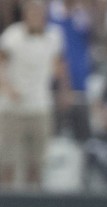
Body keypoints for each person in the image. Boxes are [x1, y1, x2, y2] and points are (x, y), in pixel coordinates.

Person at [0, 0, 70, 189]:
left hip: (40, 106)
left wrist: (64, 90)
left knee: (37, 163)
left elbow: (59, 65)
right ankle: (7, 205)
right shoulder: (12, 36)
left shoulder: (54, 36)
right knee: (8, 162)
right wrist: (6, 87)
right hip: (12, 108)